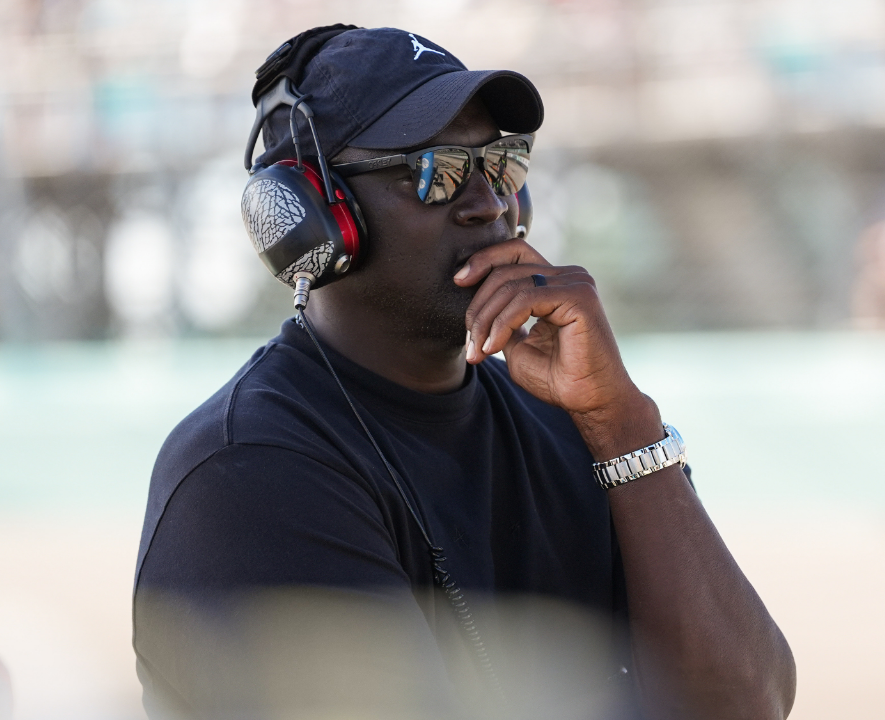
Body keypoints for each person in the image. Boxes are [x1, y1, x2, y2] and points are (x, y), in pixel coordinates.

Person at [132, 25, 795, 720]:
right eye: (436, 171)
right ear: (317, 219)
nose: (489, 204)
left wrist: (624, 423)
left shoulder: (585, 425)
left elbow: (746, 702)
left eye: (501, 165)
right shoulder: (247, 471)